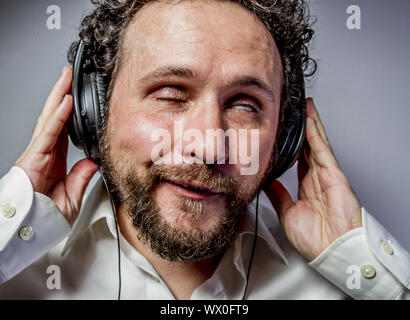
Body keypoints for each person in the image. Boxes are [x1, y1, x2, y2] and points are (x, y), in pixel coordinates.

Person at [0, 0, 408, 300]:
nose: (209, 145)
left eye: (245, 104)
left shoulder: (348, 281)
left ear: (284, 137)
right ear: (94, 110)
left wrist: (360, 260)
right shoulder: (17, 264)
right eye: (171, 94)